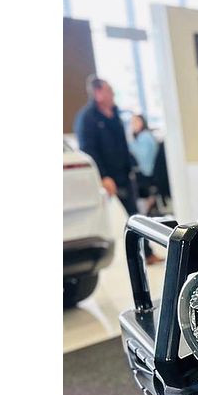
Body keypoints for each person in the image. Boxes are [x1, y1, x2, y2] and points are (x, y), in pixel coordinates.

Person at [75, 77, 161, 264]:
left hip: (124, 176)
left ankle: (145, 254)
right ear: (98, 93)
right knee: (117, 219)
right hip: (106, 179)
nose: (112, 94)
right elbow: (88, 150)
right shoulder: (87, 118)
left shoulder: (114, 113)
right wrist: (104, 177)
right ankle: (129, 258)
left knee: (135, 216)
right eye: (109, 91)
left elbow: (122, 144)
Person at [129, 114, 170, 214]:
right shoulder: (143, 137)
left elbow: (144, 163)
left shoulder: (144, 137)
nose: (133, 125)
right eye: (132, 122)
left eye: (136, 122)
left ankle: (147, 205)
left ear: (142, 122)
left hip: (148, 174)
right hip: (152, 173)